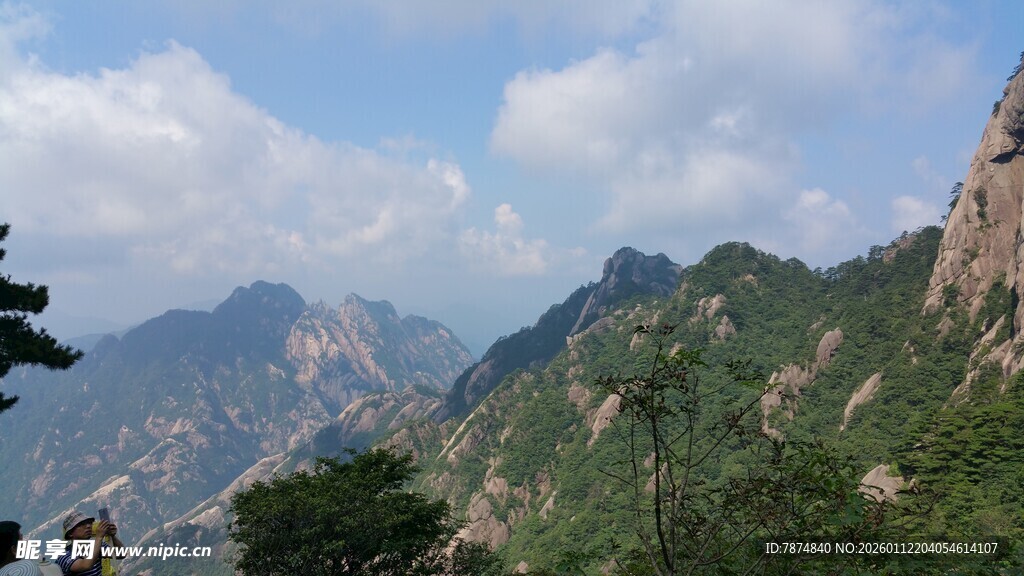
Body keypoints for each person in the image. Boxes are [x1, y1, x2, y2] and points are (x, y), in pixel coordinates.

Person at [55, 512, 124, 576]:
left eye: (89, 523)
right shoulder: (64, 556)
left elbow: (121, 554)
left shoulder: (96, 546)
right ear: (70, 534)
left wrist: (112, 536)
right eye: (82, 524)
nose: (88, 526)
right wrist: (99, 537)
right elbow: (86, 565)